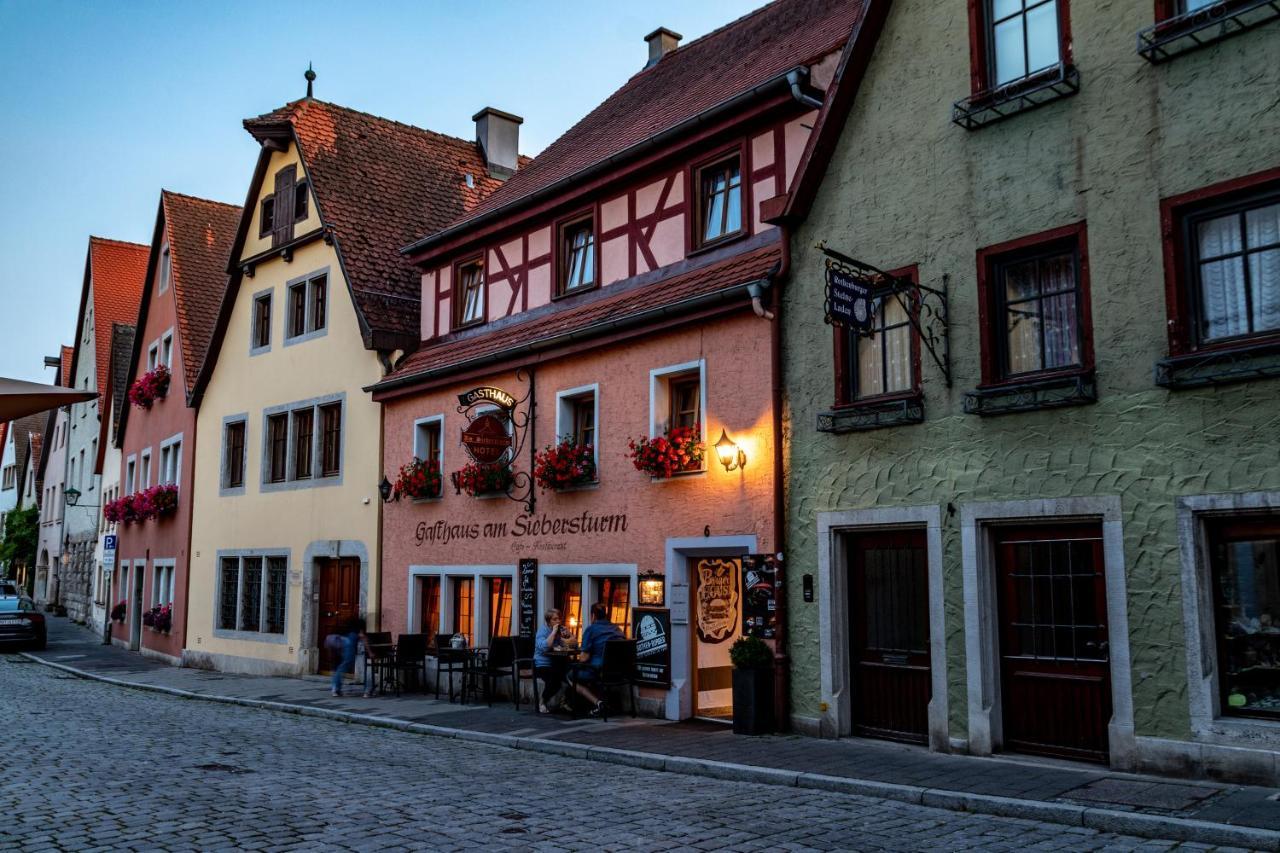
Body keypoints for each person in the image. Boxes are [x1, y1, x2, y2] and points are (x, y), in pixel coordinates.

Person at [571, 602, 623, 717]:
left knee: (569, 674)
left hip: (598, 671)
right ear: (606, 614)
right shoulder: (617, 629)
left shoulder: (591, 630)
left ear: (593, 616)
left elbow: (584, 658)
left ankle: (599, 703)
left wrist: (576, 663)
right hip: (619, 672)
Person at [534, 608, 570, 713]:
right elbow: (545, 647)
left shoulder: (559, 630)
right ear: (548, 621)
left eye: (559, 619)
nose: (558, 621)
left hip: (556, 663)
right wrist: (554, 632)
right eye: (555, 619)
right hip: (542, 664)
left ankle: (565, 702)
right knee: (554, 680)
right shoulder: (542, 631)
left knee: (571, 675)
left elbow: (570, 645)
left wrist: (568, 636)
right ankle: (542, 702)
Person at [330, 616, 368, 698]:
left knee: (341, 667)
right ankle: (335, 688)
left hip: (342, 644)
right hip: (349, 645)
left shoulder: (349, 625)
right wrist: (370, 651)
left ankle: (336, 688)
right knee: (344, 666)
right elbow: (362, 636)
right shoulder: (361, 623)